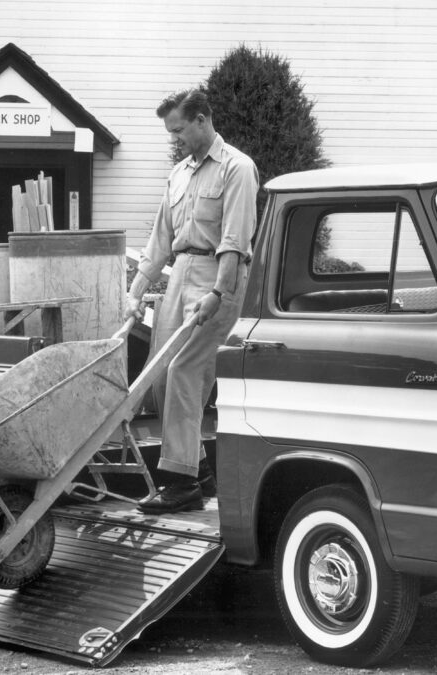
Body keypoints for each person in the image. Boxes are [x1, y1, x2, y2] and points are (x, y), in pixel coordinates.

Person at [126, 89, 259, 513]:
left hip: (218, 279)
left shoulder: (238, 169)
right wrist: (135, 290)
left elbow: (235, 242)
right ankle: (199, 472)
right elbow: (160, 239)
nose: (175, 139)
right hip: (180, 275)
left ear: (202, 120)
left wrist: (219, 293)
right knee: (160, 374)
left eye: (179, 130)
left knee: (186, 371)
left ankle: (180, 483)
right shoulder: (179, 173)